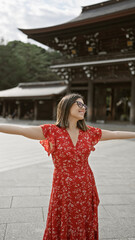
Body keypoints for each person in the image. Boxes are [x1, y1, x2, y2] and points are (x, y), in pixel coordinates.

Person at [0, 93, 135, 240]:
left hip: (85, 185)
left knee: (83, 221)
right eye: (79, 104)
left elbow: (115, 133)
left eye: (84, 105)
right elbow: (20, 130)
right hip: (63, 186)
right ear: (66, 106)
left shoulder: (89, 132)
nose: (83, 108)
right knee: (63, 220)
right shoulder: (52, 131)